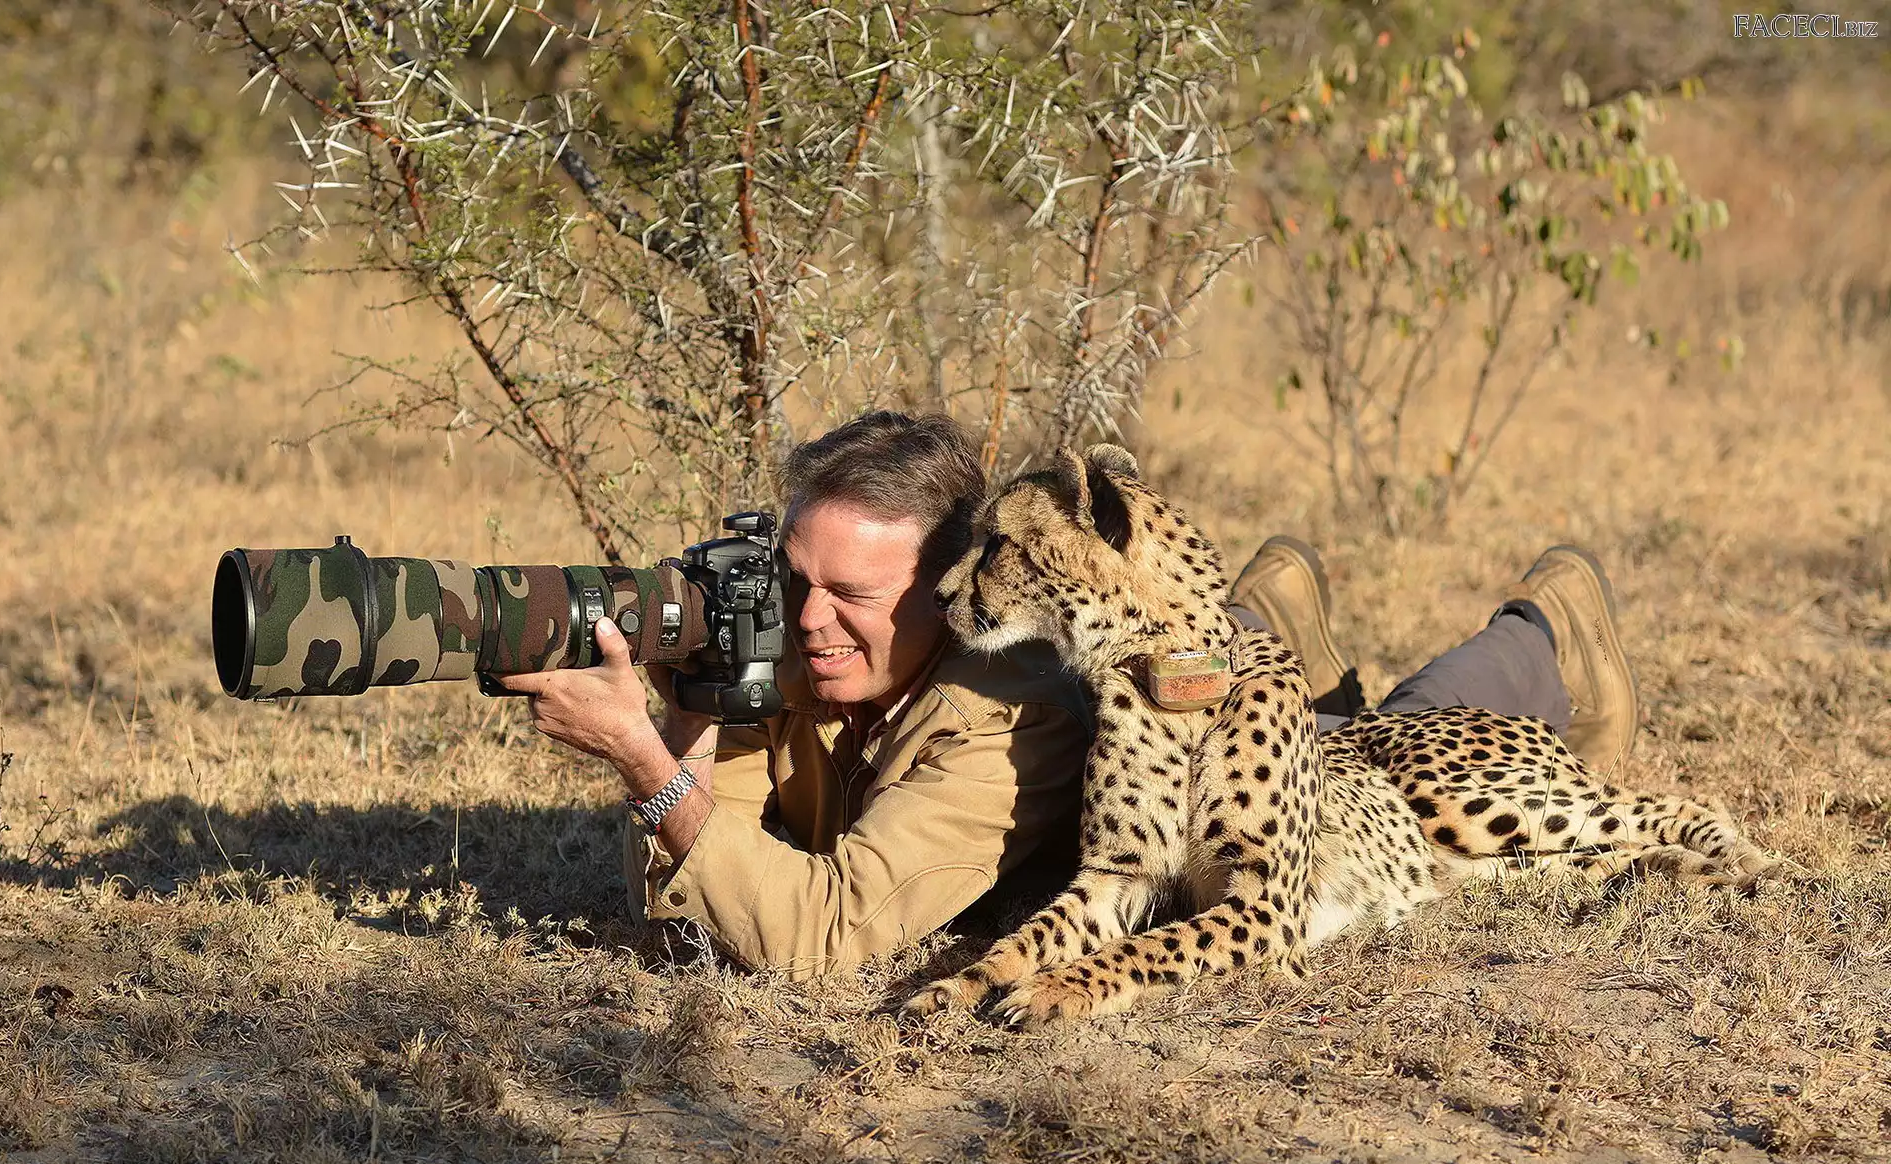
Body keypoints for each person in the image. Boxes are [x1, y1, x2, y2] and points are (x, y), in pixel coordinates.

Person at [500, 413, 1640, 979]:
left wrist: (645, 763)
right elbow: (689, 900)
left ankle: (1545, 633)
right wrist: (694, 702)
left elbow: (818, 934)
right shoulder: (811, 646)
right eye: (795, 582)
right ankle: (1266, 613)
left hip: (1221, 753)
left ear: (945, 591)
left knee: (1391, 745)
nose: (807, 622)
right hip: (1159, 665)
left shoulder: (1006, 717)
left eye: (850, 595)